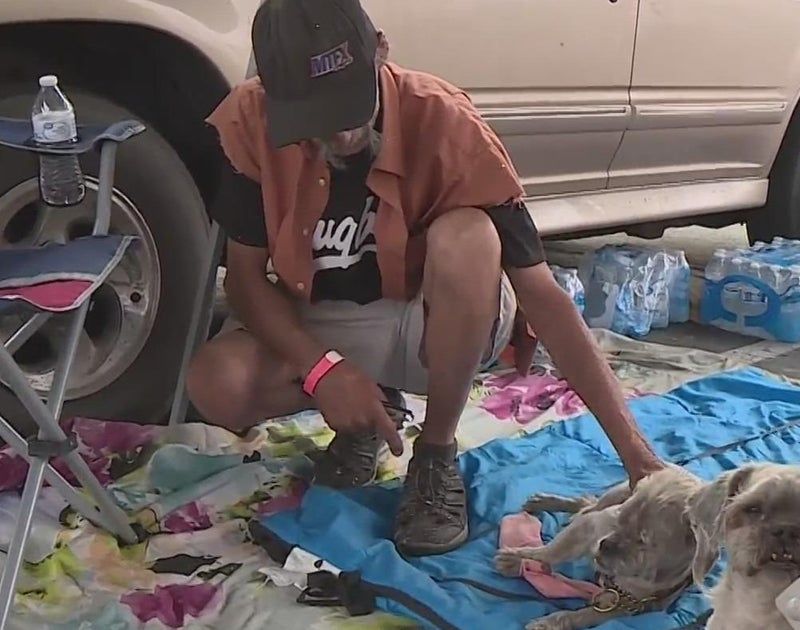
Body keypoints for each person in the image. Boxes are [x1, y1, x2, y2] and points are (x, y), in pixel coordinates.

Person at [186, 0, 664, 557]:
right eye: (314, 117)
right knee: (217, 383)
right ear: (271, 90)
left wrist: (638, 458)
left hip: (433, 322)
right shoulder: (251, 119)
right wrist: (322, 371)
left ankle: (435, 454)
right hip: (327, 322)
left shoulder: (443, 118)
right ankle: (368, 414)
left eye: (348, 106)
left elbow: (543, 296)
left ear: (382, 50)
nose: (339, 135)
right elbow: (244, 281)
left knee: (468, 237)